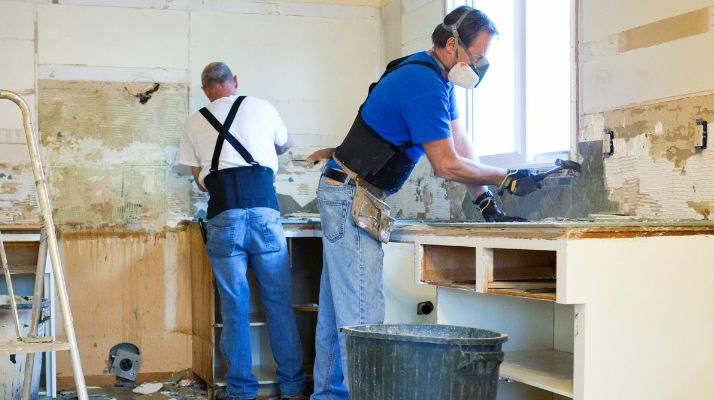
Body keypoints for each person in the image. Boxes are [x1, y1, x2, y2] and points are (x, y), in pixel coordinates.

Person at [308, 6, 542, 399]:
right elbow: (446, 165)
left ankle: (328, 396)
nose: (482, 65)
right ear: (452, 44)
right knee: (363, 321)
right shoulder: (423, 83)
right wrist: (505, 178)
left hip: (345, 191)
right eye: (479, 55)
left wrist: (485, 201)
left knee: (339, 319)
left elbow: (461, 146)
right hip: (352, 195)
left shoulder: (437, 79)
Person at [179, 62, 306, 400]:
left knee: (234, 305)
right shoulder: (261, 106)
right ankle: (293, 388)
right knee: (278, 304)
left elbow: (199, 181)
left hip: (224, 214)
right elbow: (285, 144)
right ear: (234, 81)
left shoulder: (194, 123)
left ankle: (240, 391)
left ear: (205, 90)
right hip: (265, 211)